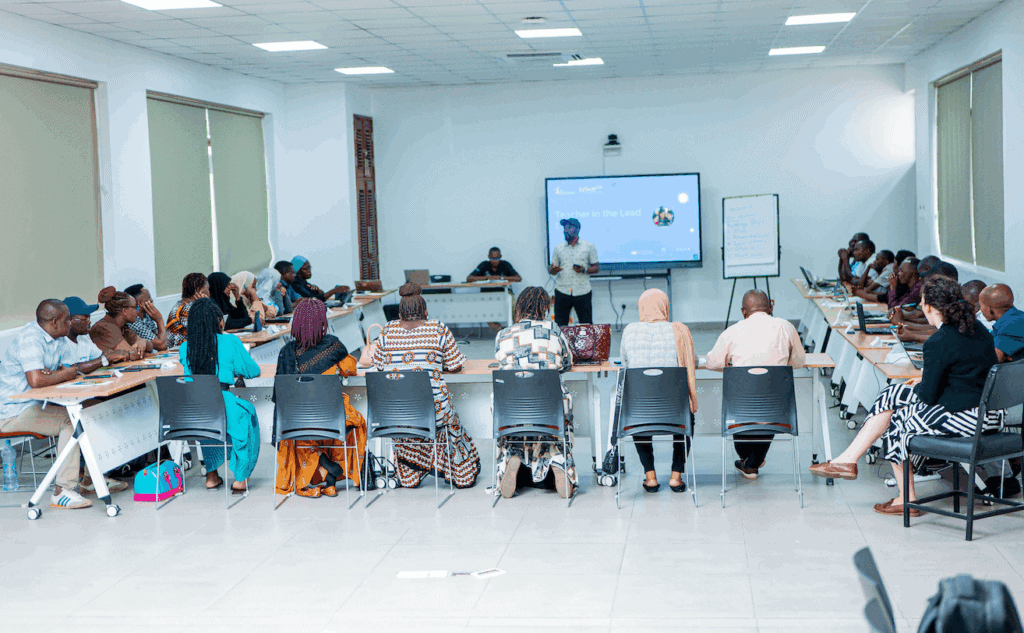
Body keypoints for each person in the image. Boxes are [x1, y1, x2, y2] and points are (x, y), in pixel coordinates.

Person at [810, 276, 1004, 516]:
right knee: (893, 394)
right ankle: (849, 460)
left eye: (922, 301)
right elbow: (967, 372)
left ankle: (903, 497)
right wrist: (926, 378)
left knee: (897, 419)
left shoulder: (938, 342)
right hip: (990, 414)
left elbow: (928, 397)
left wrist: (925, 381)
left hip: (965, 418)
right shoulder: (979, 330)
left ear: (929, 307)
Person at [0, 300, 112, 509]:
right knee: (72, 422)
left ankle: (91, 478)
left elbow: (68, 369)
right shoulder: (30, 339)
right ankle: (62, 491)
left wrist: (56, 374)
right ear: (54, 322)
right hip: (13, 411)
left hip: (37, 404)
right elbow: (37, 380)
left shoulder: (58, 339)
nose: (70, 324)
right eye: (67, 320)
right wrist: (58, 375)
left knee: (89, 411)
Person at [372, 283, 481, 489]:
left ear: (399, 313)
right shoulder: (438, 328)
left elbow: (379, 366)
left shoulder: (386, 331)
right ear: (426, 312)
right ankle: (461, 474)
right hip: (433, 412)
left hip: (396, 413)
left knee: (411, 424)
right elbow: (455, 365)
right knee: (450, 422)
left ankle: (409, 474)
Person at [707, 290, 805, 479]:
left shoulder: (732, 331)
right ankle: (752, 462)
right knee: (769, 403)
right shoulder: (786, 327)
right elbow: (800, 361)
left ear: (744, 312)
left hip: (740, 406)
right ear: (771, 307)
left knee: (743, 403)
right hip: (777, 406)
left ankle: (750, 462)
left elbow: (712, 363)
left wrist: (733, 367)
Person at [274, 299, 366, 498]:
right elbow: (350, 369)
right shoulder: (333, 345)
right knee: (354, 421)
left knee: (304, 430)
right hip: (331, 415)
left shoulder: (286, 352)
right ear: (322, 322)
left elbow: (279, 395)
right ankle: (331, 482)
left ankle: (319, 468)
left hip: (295, 419)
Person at [493, 287, 576, 500]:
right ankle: (557, 460)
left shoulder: (503, 334)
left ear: (519, 307)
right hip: (550, 405)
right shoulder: (553, 330)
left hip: (512, 407)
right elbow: (567, 363)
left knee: (520, 425)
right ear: (545, 308)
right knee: (552, 425)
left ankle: (514, 456)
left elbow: (500, 360)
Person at [178, 298, 262, 494]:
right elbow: (252, 370)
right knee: (246, 414)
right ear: (218, 321)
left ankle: (211, 476)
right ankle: (240, 478)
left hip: (196, 408)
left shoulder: (185, 347)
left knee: (209, 428)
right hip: (223, 401)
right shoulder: (230, 341)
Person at [619, 289, 698, 493]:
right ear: (665, 307)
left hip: (640, 411)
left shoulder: (629, 331)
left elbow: (625, 365)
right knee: (686, 415)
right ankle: (676, 477)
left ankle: (650, 477)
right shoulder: (680, 331)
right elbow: (693, 361)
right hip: (674, 410)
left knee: (638, 411)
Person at [897, 280, 989, 344]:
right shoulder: (963, 313)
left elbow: (947, 336)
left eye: (963, 299)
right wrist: (908, 328)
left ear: (978, 303)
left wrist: (912, 334)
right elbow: (940, 328)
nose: (959, 302)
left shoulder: (982, 321)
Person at [549, 217, 599, 326]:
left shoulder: (589, 246)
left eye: (569, 227)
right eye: (564, 228)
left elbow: (596, 268)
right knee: (560, 325)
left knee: (586, 325)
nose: (565, 230)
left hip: (582, 291)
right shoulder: (558, 248)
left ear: (577, 229)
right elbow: (552, 270)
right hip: (562, 290)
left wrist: (584, 270)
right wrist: (553, 270)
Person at [61, 297, 127, 365]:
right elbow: (73, 369)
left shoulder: (84, 338)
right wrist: (106, 358)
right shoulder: (61, 343)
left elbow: (100, 356)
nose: (89, 322)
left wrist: (111, 354)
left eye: (89, 317)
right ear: (70, 320)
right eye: (85, 319)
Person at [89, 287, 151, 359]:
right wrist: (142, 350)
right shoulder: (104, 327)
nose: (137, 312)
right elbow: (132, 354)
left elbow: (150, 348)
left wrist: (144, 341)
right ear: (124, 311)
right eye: (135, 307)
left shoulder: (124, 326)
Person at [979, 284, 1024, 363]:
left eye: (981, 306)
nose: (981, 310)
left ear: (990, 308)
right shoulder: (1012, 318)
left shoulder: (1012, 324)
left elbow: (993, 360)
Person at [123, 284, 171, 350]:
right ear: (141, 303)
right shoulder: (133, 322)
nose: (152, 300)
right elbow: (162, 345)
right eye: (149, 298)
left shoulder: (146, 315)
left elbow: (158, 337)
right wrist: (159, 320)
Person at [166, 273, 209, 343]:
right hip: (182, 348)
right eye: (207, 288)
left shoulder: (182, 305)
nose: (209, 293)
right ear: (198, 290)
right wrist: (206, 304)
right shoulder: (187, 309)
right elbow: (209, 331)